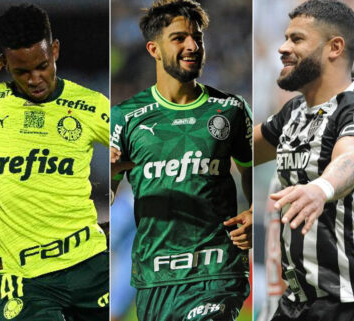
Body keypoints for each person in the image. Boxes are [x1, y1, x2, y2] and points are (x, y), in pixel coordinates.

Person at [110, 0, 252, 320]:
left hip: (215, 274)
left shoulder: (230, 109)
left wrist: (254, 212)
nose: (192, 46)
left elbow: (250, 172)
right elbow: (106, 199)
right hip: (155, 281)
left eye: (197, 37)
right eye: (179, 38)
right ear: (154, 49)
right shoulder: (126, 117)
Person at [254, 0, 354, 320]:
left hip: (351, 299)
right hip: (297, 302)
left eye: (297, 39)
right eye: (286, 37)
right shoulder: (294, 113)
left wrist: (322, 187)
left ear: (335, 47)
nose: (283, 48)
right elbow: (241, 150)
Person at [0, 3, 109, 320]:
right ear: (7, 64)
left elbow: (137, 148)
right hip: (22, 278)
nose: (34, 79)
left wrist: (124, 204)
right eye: (21, 71)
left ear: (55, 50)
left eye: (42, 66)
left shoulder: (90, 105)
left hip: (89, 265)